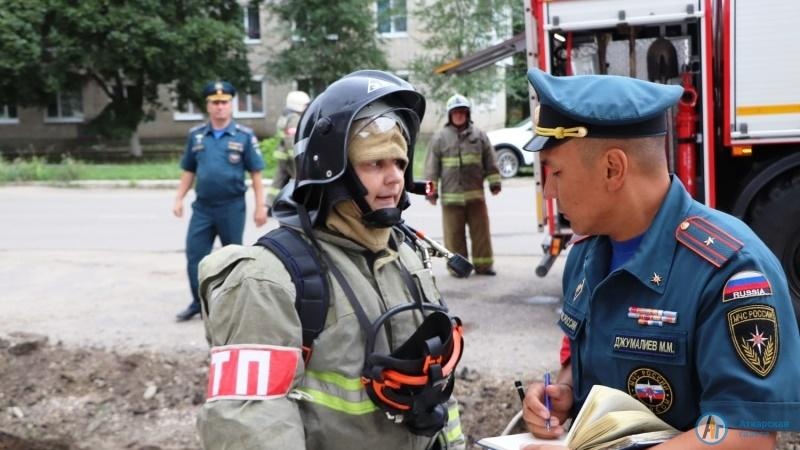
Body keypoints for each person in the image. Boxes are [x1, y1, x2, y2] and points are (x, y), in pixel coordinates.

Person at [519, 68, 800, 449]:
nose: (550, 191)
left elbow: (745, 435)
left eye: (556, 172)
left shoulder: (730, 270)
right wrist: (563, 389)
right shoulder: (586, 257)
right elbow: (595, 361)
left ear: (612, 168)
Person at [195, 70, 466, 450]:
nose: (395, 179)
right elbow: (251, 426)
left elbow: (436, 386)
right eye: (375, 164)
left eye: (400, 164)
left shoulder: (405, 257)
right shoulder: (265, 281)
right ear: (330, 172)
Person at [172, 80, 267, 322]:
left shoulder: (244, 136)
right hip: (202, 208)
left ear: (231, 105)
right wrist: (179, 198)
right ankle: (198, 303)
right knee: (195, 256)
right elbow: (188, 170)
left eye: (224, 102)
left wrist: (260, 207)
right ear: (208, 106)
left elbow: (256, 174)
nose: (220, 107)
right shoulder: (196, 136)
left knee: (232, 259)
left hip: (232, 207)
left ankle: (231, 304)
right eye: (215, 103)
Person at [424, 94, 501, 276]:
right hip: (451, 199)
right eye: (455, 113)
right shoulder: (439, 138)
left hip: (476, 197)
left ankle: (484, 266)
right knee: (454, 238)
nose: (459, 116)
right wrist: (431, 193)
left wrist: (494, 183)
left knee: (481, 234)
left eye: (462, 112)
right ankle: (458, 269)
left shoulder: (479, 136)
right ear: (450, 115)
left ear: (468, 114)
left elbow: (490, 161)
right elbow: (431, 169)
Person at [266, 90, 310, 213]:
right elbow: (291, 140)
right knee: (298, 179)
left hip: (282, 155)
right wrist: (297, 157)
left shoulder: (285, 116)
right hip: (290, 156)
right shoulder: (294, 119)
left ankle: (270, 205)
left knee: (279, 179)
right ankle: (299, 206)